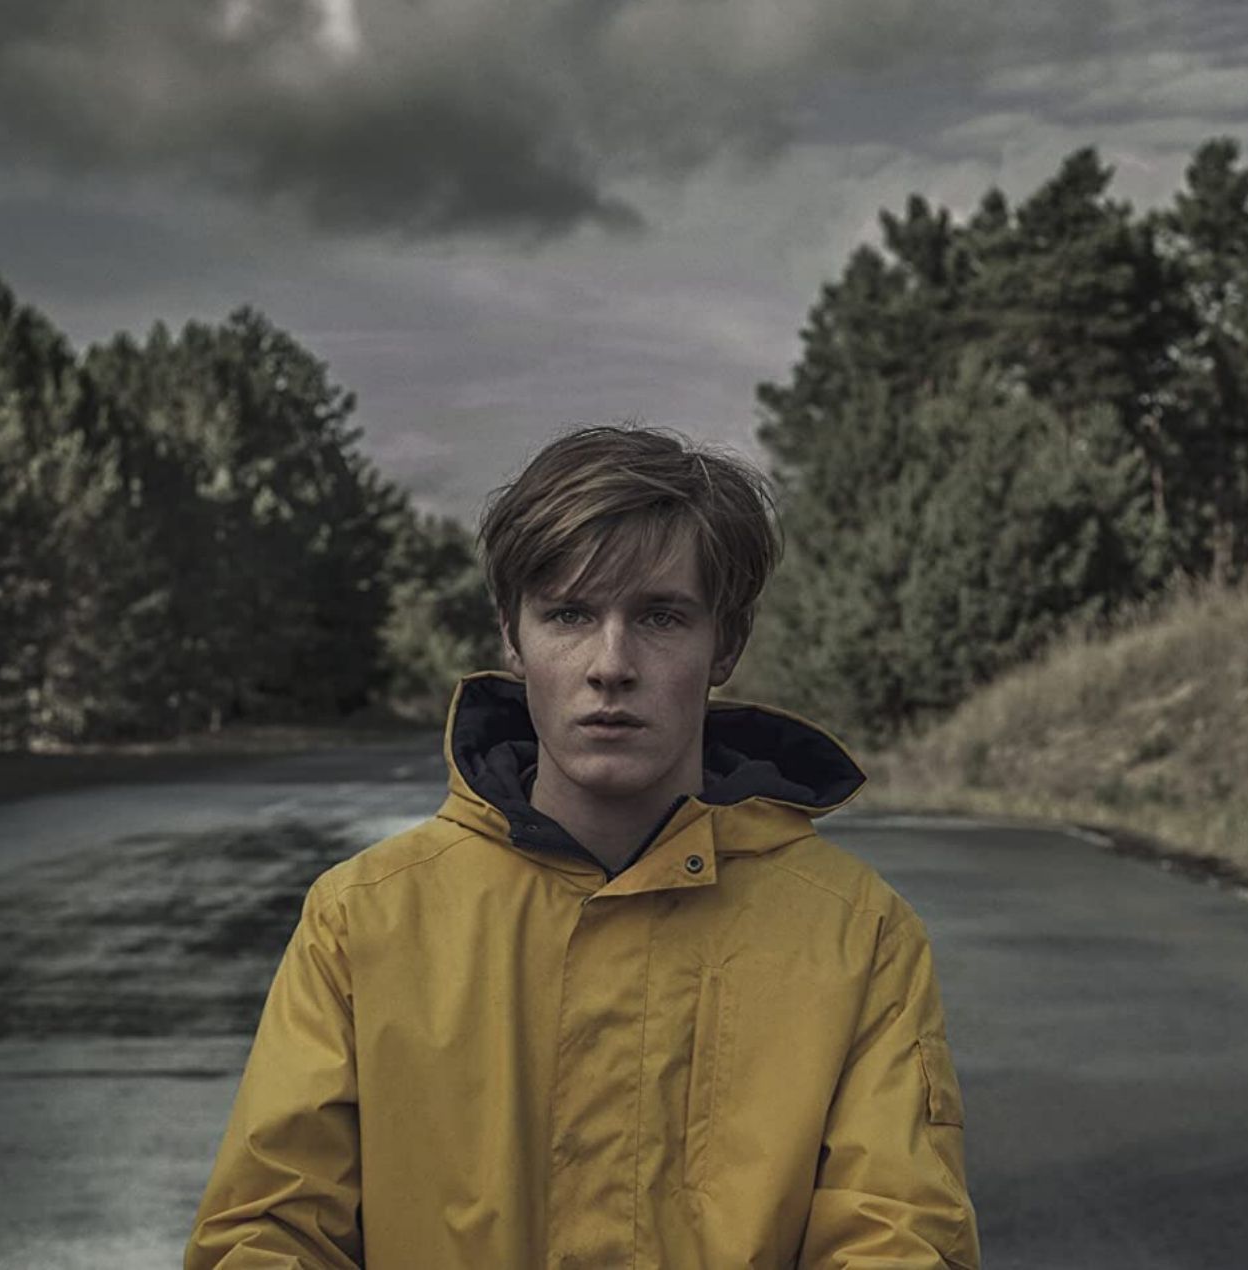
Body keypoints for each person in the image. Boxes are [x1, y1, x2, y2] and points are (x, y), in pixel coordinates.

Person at [185, 425, 980, 1268]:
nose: (611, 664)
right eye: (569, 613)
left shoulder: (859, 937)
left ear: (726, 643)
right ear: (512, 635)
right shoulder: (362, 923)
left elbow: (898, 1243)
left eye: (661, 617)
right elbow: (270, 1236)